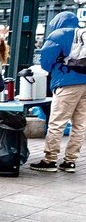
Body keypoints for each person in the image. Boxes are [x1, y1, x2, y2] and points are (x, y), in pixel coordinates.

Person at [30, 11, 86, 173]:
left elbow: (46, 62)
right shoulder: (82, 34)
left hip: (67, 83)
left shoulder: (59, 35)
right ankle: (70, 161)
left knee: (57, 122)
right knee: (80, 124)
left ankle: (50, 160)